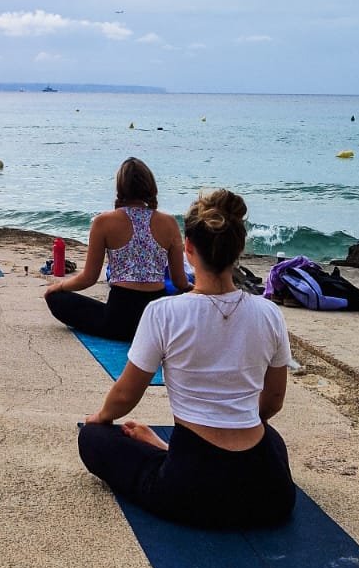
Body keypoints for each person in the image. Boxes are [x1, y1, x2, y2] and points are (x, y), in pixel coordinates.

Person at [77, 188, 296, 530]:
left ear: (189, 250)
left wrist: (99, 419)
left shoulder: (164, 312)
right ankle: (166, 449)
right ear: (238, 250)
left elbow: (125, 396)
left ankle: (166, 454)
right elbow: (272, 402)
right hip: (270, 494)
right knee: (270, 437)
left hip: (191, 489)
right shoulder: (269, 314)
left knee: (91, 439)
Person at [44, 158, 187, 341]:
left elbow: (88, 278)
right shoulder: (170, 223)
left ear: (120, 187)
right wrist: (198, 291)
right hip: (156, 320)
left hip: (118, 320)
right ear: (150, 186)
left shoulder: (103, 222)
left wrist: (58, 286)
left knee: (56, 299)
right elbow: (180, 282)